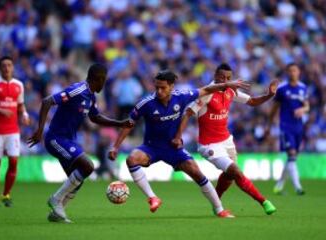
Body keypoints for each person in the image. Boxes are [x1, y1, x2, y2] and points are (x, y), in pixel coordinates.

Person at [108, 69, 250, 218]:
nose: (159, 91)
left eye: (163, 87)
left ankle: (219, 209)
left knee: (197, 173)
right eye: (156, 87)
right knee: (131, 159)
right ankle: (152, 197)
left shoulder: (181, 97)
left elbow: (206, 89)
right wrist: (116, 146)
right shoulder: (146, 103)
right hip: (151, 147)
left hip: (173, 148)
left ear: (171, 87)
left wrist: (227, 85)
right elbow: (129, 123)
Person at [27, 63, 133, 223]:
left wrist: (120, 123)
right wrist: (40, 130)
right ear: (98, 79)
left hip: (68, 140)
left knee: (77, 180)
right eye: (104, 80)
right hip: (55, 138)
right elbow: (47, 101)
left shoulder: (90, 96)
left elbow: (95, 117)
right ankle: (56, 200)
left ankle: (58, 213)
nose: (104, 84)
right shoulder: (78, 90)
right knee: (88, 166)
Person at [172, 63, 277, 215]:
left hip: (227, 141)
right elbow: (188, 113)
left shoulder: (230, 91)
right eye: (222, 77)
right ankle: (264, 202)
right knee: (236, 171)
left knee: (230, 176)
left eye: (228, 77)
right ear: (215, 76)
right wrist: (178, 137)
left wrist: (269, 95)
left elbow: (252, 102)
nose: (226, 80)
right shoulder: (207, 93)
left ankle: (217, 200)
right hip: (209, 145)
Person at [0, 56, 30, 207]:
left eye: (9, 65)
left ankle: (6, 194)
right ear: (0, 68)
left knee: (13, 162)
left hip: (13, 130)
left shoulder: (18, 85)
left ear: (13, 67)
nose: (6, 68)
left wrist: (25, 114)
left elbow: (20, 104)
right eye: (4, 65)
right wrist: (0, 110)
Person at [267, 63, 309, 195]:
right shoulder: (282, 89)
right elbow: (274, 108)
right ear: (287, 72)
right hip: (286, 126)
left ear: (299, 72)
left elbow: (307, 106)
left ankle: (279, 185)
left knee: (293, 157)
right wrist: (269, 124)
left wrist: (303, 109)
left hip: (298, 126)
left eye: (294, 70)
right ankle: (298, 187)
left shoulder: (303, 88)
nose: (292, 73)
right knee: (291, 154)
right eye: (290, 71)